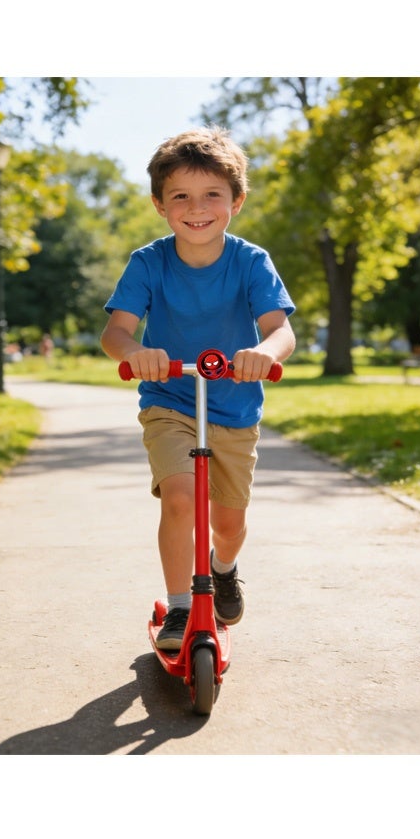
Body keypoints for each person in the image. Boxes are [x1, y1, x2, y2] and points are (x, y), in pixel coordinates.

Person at [100, 126, 296, 651]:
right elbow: (115, 331)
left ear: (237, 200)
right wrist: (135, 353)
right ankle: (181, 607)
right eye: (180, 196)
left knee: (228, 525)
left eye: (213, 194)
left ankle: (224, 569)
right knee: (182, 499)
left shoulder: (251, 262)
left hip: (233, 404)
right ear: (160, 205)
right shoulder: (148, 262)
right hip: (172, 399)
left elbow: (282, 329)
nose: (197, 207)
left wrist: (264, 354)